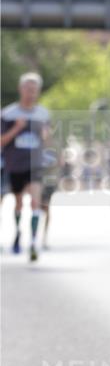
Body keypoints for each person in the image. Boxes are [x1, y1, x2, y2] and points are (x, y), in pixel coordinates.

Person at [1, 72, 51, 261]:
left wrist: (46, 135)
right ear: (20, 89)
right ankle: (17, 234)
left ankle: (32, 242)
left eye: (34, 90)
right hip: (15, 165)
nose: (31, 93)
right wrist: (16, 128)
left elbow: (47, 138)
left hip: (35, 164)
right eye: (28, 89)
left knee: (35, 202)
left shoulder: (43, 114)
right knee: (19, 203)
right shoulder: (8, 114)